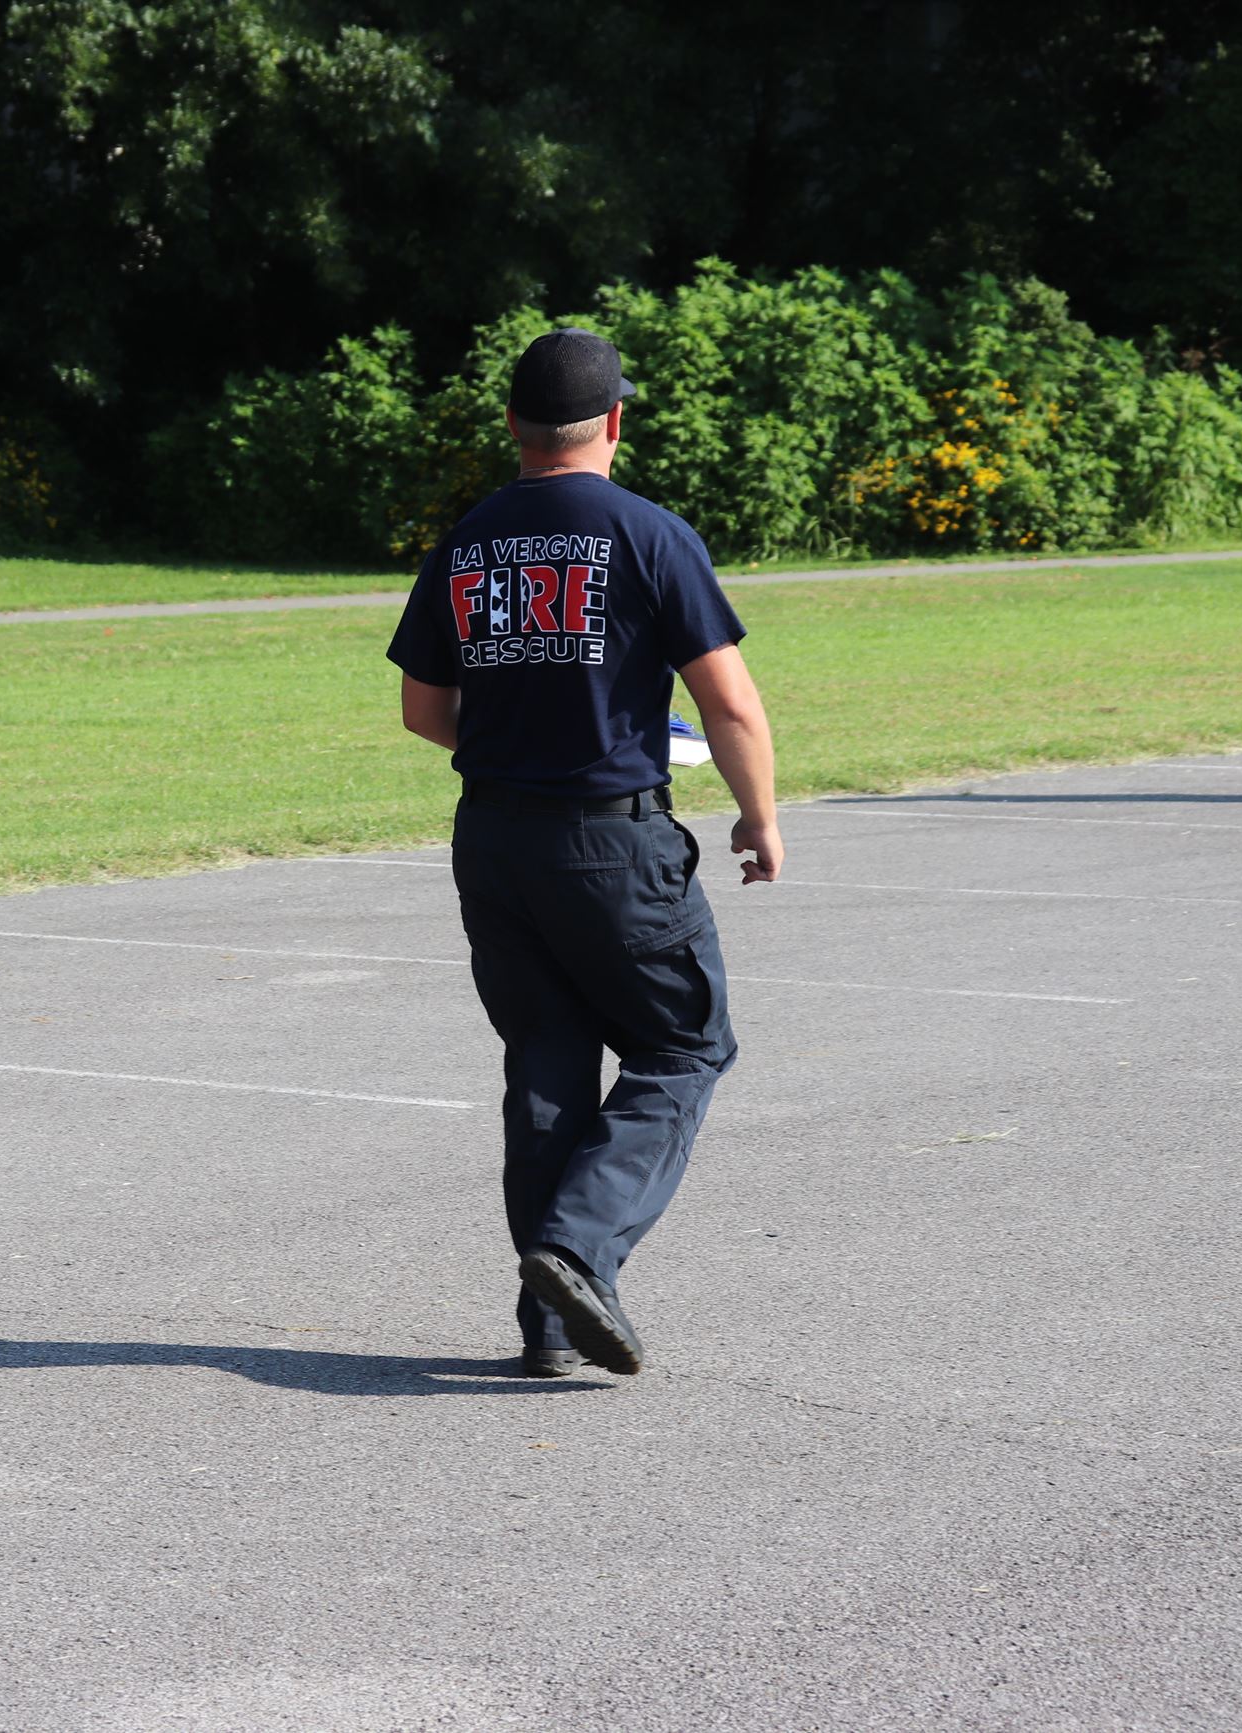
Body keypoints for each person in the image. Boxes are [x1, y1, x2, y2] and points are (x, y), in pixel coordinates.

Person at [386, 328, 781, 1377]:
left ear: (513, 424)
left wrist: (519, 742)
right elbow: (729, 703)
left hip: (493, 838)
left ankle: (551, 1328)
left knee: (547, 1062)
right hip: (612, 840)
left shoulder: (468, 539)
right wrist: (758, 815)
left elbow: (423, 709)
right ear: (612, 421)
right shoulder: (647, 532)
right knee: (684, 1046)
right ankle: (577, 1247)